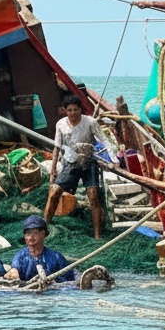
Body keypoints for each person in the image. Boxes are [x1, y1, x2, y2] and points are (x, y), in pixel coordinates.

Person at [44, 94, 112, 239]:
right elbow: (56, 147)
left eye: (75, 110)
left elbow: (104, 140)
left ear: (80, 109)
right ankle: (44, 226)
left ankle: (97, 235)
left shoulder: (90, 122)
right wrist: (53, 170)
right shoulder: (60, 124)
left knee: (93, 197)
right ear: (65, 111)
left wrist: (112, 159)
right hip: (71, 162)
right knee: (54, 193)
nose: (73, 113)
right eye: (69, 110)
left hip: (89, 161)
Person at [3, 215, 76, 282]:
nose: (31, 237)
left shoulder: (56, 257)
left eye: (35, 233)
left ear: (43, 234)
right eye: (28, 233)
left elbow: (70, 279)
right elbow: (15, 271)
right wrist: (13, 273)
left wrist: (54, 280)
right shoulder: (20, 256)